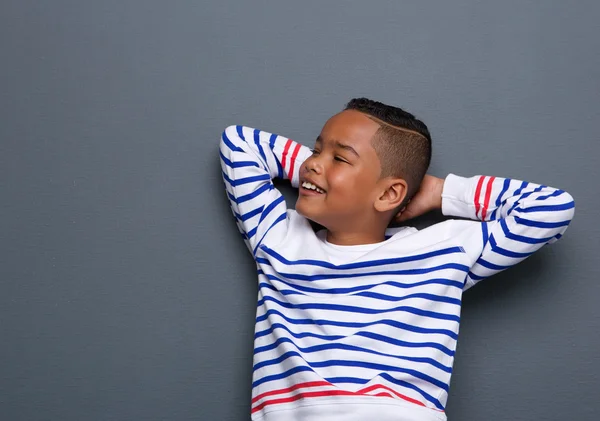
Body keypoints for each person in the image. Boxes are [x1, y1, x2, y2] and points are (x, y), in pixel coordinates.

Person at [219, 98, 575, 421]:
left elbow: (551, 209)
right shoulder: (279, 238)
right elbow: (239, 143)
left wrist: (441, 192)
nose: (313, 163)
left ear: (391, 193)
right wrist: (322, 173)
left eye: (339, 158)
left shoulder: (443, 250)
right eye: (316, 150)